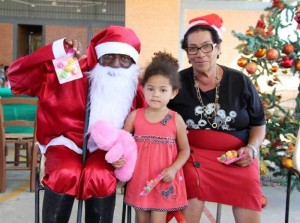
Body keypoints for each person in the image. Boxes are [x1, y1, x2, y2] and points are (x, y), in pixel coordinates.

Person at [7, 26, 146, 223]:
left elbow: (147, 126)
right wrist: (57, 52)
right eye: (109, 56)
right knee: (65, 173)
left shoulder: (135, 86)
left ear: (133, 62)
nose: (115, 65)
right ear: (98, 56)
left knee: (99, 176)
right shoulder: (73, 69)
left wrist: (128, 155)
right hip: (67, 141)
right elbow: (17, 79)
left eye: (124, 59)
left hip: (107, 149)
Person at [167, 14, 266, 223]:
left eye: (206, 46)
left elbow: (259, 123)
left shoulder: (240, 81)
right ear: (187, 52)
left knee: (248, 183)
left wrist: (252, 148)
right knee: (191, 183)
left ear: (218, 48)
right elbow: (158, 112)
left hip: (237, 157)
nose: (200, 54)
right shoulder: (177, 81)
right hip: (193, 156)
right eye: (192, 48)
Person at [123, 52, 190, 223]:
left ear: (173, 92)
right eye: (150, 89)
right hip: (139, 179)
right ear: (143, 88)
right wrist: (119, 160)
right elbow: (123, 143)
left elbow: (185, 150)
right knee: (141, 219)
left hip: (163, 180)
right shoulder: (135, 116)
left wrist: (174, 168)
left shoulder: (176, 119)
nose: (155, 94)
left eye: (163, 90)